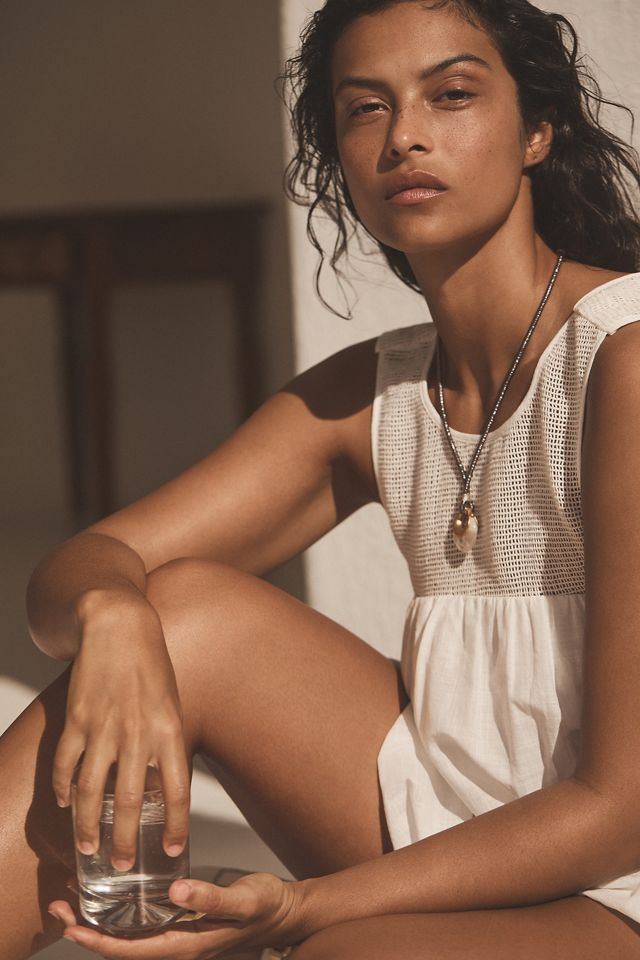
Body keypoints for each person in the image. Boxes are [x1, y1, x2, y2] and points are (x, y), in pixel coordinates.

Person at [4, 0, 640, 957]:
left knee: (339, 954)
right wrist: (112, 614)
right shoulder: (375, 393)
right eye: (365, 108)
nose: (405, 135)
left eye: (452, 94)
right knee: (171, 611)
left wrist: (302, 908)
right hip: (445, 828)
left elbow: (620, 811)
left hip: (614, 874)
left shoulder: (621, 358)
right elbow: (77, 569)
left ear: (537, 131)